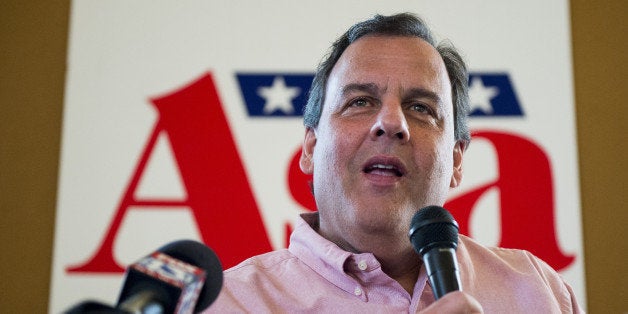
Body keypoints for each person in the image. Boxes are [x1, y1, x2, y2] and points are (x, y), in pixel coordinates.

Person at [206, 13, 582, 313]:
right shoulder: (227, 304)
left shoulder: (539, 292)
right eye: (359, 102)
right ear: (310, 147)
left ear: (455, 161)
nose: (391, 123)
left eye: (421, 108)